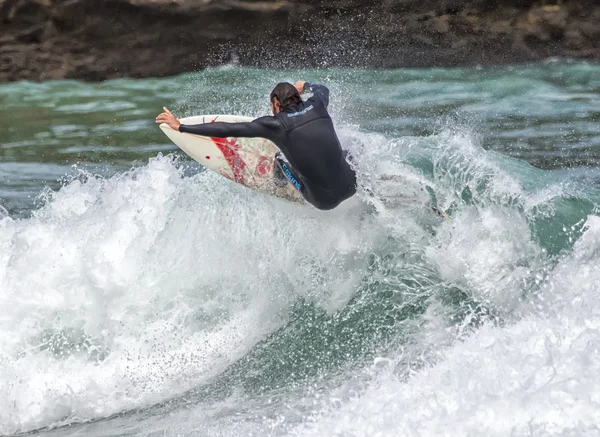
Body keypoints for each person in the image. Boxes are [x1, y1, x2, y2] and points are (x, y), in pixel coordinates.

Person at [155, 81, 356, 210]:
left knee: (279, 159)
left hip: (322, 201)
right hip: (352, 185)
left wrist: (181, 126)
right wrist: (306, 85)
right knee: (351, 149)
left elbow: (227, 130)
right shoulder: (318, 104)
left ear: (276, 103)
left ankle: (279, 181)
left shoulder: (275, 125)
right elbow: (323, 89)